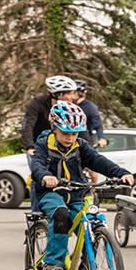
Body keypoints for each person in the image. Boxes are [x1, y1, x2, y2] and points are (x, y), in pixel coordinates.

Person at [31, 101, 133, 270]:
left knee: (92, 224)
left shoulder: (80, 146)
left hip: (76, 193)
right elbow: (37, 165)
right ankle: (53, 263)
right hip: (50, 193)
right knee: (60, 213)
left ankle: (87, 269)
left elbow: (100, 161)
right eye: (65, 133)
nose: (70, 138)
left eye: (74, 133)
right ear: (54, 128)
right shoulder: (43, 145)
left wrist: (121, 173)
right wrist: (45, 177)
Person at [23, 76, 80, 211]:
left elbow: (80, 130)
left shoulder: (72, 107)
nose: (73, 96)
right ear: (59, 94)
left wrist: (87, 148)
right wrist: (30, 147)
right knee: (38, 178)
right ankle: (36, 216)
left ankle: (64, 210)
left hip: (62, 146)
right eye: (70, 93)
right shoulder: (37, 103)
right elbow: (27, 126)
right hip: (39, 146)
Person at [74, 80, 107, 148]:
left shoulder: (90, 107)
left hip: (85, 143)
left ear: (79, 93)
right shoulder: (69, 105)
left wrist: (101, 138)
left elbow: (98, 125)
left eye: (74, 92)